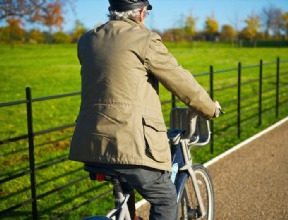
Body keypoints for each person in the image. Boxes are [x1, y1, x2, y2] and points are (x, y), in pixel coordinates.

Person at [69, 0, 221, 219]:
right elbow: (180, 81)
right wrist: (210, 109)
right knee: (165, 198)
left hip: (92, 144)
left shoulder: (87, 41)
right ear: (140, 13)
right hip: (130, 143)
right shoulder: (145, 40)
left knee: (126, 190)